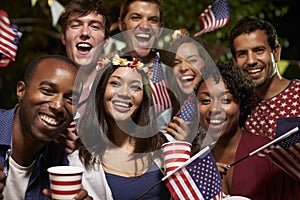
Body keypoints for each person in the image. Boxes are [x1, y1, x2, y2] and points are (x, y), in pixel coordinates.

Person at [69, 54, 172, 199]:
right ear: (100, 91)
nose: (124, 93)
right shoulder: (78, 162)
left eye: (135, 87)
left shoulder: (166, 145)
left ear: (143, 99)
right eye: (115, 83)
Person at [196, 62, 300, 199]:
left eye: (226, 100)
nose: (214, 109)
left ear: (241, 104)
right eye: (205, 101)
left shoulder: (268, 155)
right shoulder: (193, 160)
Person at [0, 55, 92, 199]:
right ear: (21, 91)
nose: (58, 106)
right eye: (47, 91)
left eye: (70, 99)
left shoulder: (60, 162)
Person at [229, 16, 300, 140]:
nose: (251, 61)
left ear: (276, 52)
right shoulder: (239, 105)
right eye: (242, 54)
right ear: (235, 61)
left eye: (259, 50)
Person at [60, 0, 112, 116]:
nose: (85, 32)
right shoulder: (47, 86)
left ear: (105, 41)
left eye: (94, 27)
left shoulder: (114, 91)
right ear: (63, 37)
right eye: (76, 25)